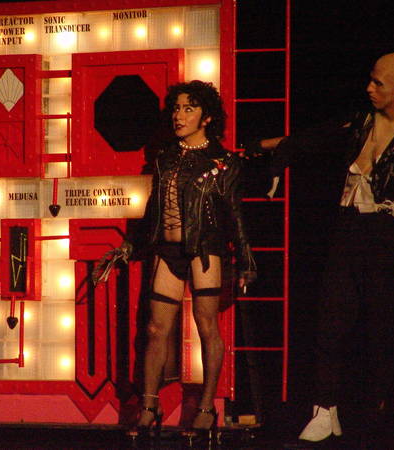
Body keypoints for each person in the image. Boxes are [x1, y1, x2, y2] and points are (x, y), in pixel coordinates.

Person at [246, 52, 394, 441]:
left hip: (387, 236)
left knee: (381, 329)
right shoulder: (361, 122)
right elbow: (310, 139)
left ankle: (380, 414)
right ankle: (324, 410)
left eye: (378, 83)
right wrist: (264, 149)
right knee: (330, 321)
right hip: (348, 231)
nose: (369, 88)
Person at [99, 80, 256, 442]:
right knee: (155, 330)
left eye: (188, 108)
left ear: (207, 117)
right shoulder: (165, 157)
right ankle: (149, 405)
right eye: (176, 108)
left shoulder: (224, 162)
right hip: (166, 252)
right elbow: (152, 209)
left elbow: (235, 214)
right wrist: (129, 246)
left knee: (207, 328)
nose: (179, 115)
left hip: (205, 251)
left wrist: (246, 259)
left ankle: (206, 407)